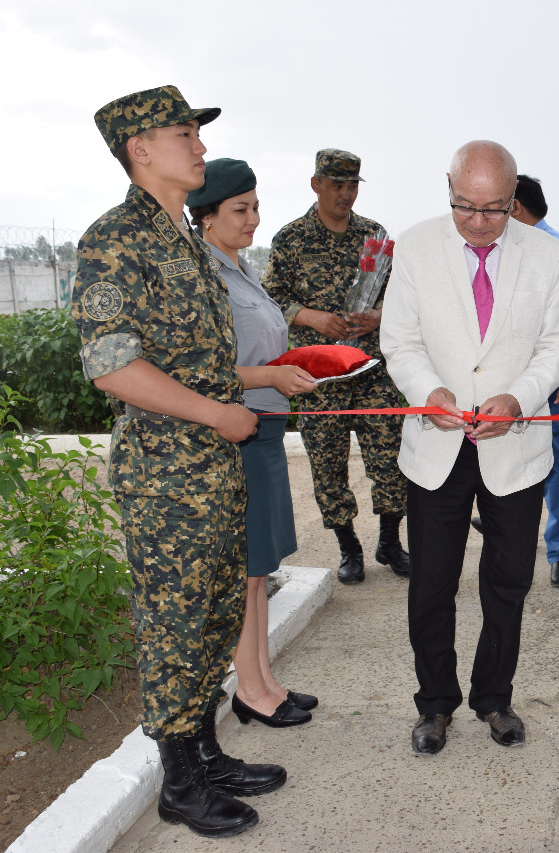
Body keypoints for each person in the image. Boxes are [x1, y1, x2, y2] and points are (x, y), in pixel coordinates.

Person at [73, 86, 285, 838]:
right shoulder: (114, 240)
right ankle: (181, 785)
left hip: (212, 469)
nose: (199, 145)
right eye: (183, 133)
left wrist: (239, 397)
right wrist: (215, 412)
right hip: (167, 475)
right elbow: (111, 367)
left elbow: (208, 360)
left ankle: (204, 750)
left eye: (197, 132)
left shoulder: (188, 242)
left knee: (214, 615)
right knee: (174, 627)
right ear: (140, 149)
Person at [380, 140, 559, 755]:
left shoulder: (547, 257)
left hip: (514, 446)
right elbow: (400, 340)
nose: (478, 221)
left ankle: (495, 698)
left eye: (494, 209)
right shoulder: (415, 247)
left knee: (508, 582)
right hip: (437, 446)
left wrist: (519, 397)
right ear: (448, 187)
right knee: (432, 583)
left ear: (513, 197)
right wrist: (428, 391)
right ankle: (434, 704)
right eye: (464, 205)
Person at [187, 159, 319, 729]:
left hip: (262, 430)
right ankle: (250, 689)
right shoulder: (205, 275)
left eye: (256, 206)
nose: (252, 219)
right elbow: (201, 370)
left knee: (260, 566)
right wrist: (270, 377)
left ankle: (262, 679)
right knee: (245, 567)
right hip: (235, 432)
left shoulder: (240, 270)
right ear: (206, 218)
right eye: (239, 210)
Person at [263, 149, 409, 585]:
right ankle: (349, 548)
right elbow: (270, 296)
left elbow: (402, 292)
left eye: (353, 185)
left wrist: (379, 316)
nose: (346, 194)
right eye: (337, 184)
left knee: (390, 455)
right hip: (318, 373)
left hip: (370, 366)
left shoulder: (375, 236)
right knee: (327, 461)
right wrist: (311, 317)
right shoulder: (290, 239)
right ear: (316, 184)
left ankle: (390, 542)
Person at [508, 174, 559, 587]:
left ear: (515, 207)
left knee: (557, 465)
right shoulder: (513, 249)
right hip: (513, 382)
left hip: (552, 382)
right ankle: (506, 523)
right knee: (508, 454)